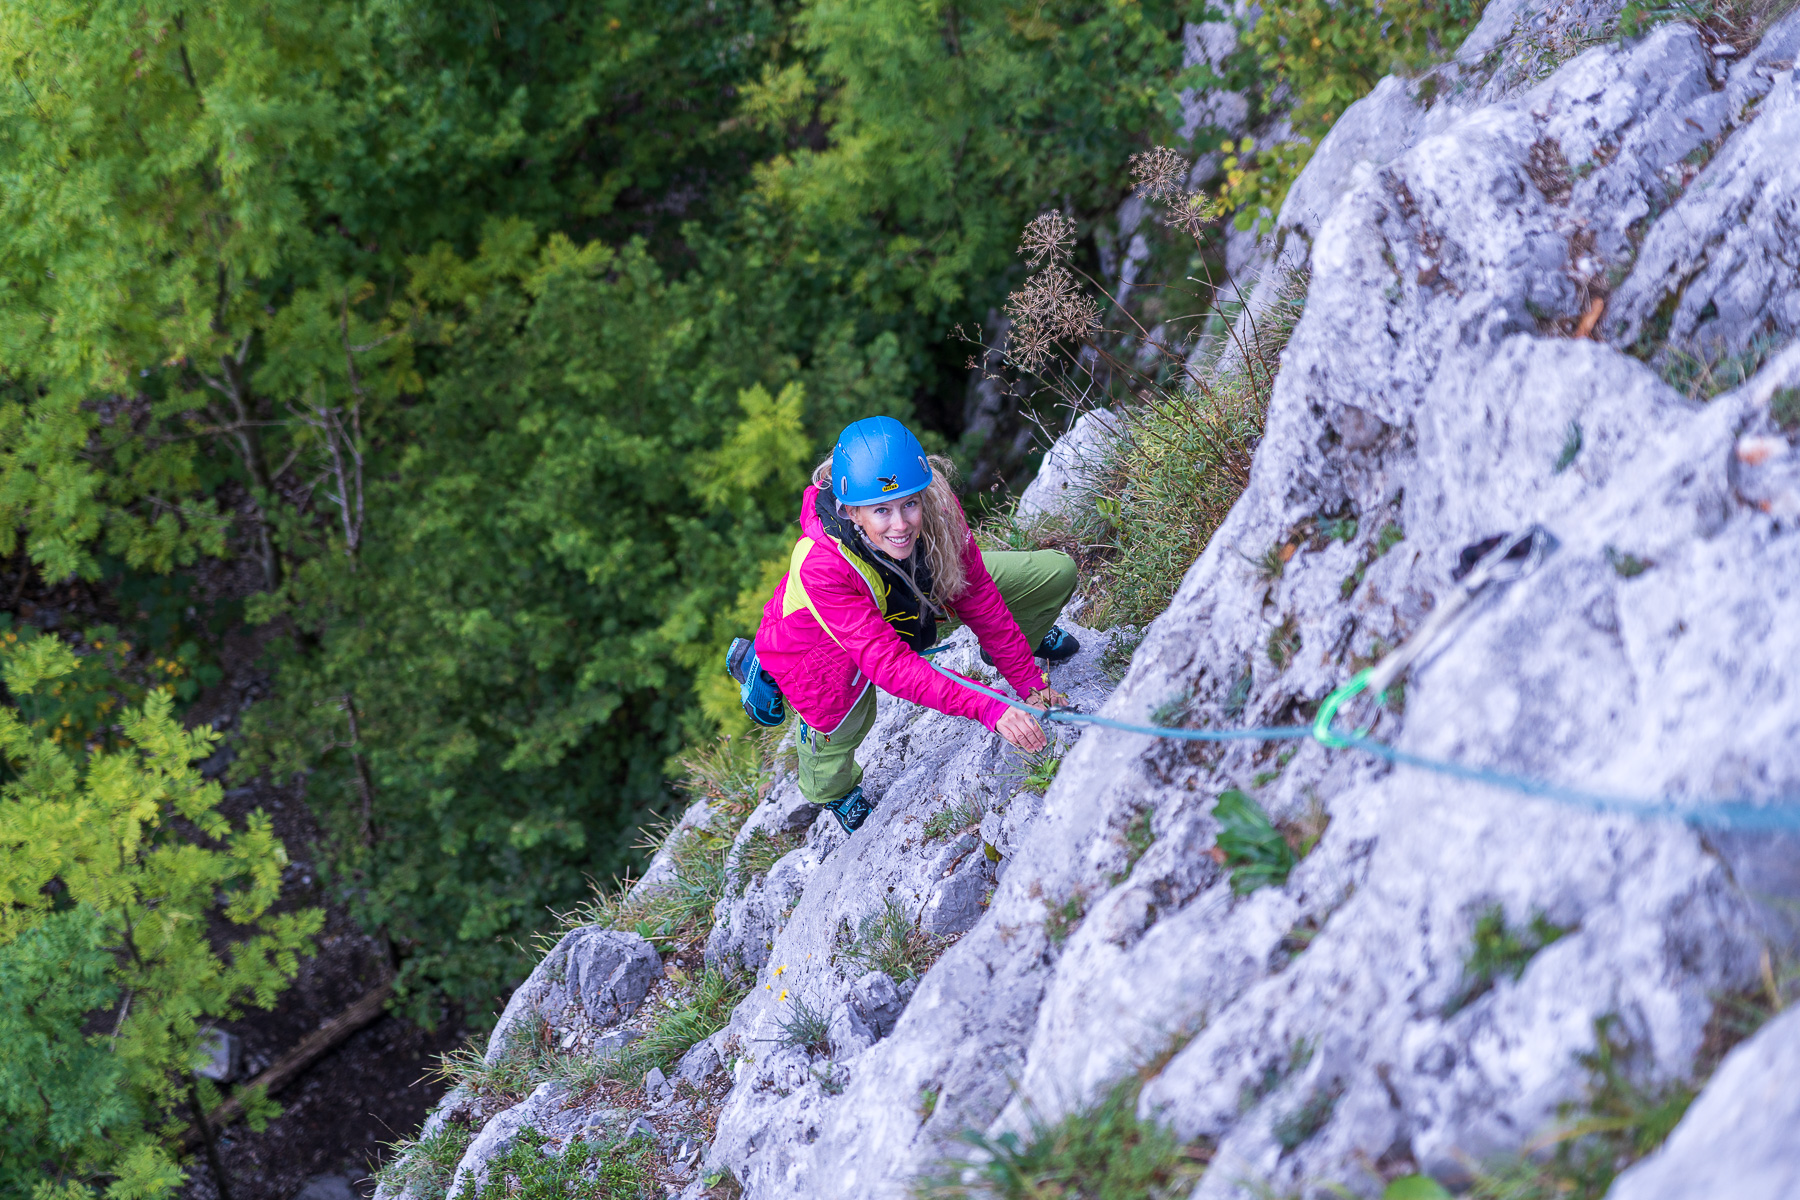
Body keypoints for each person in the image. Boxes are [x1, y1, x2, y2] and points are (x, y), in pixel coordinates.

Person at [726, 416, 1081, 834]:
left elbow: (978, 594)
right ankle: (831, 787)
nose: (901, 524)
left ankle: (1025, 637)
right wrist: (988, 706)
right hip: (824, 644)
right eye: (881, 510)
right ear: (852, 511)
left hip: (907, 598)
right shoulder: (821, 564)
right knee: (841, 722)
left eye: (908, 503)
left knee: (1054, 574)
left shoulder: (936, 503)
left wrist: (1026, 680)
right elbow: (889, 666)